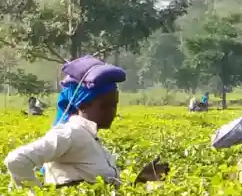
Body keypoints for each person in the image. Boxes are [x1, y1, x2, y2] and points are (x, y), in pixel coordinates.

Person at [5, 57, 168, 186]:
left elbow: (103, 193)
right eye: (104, 106)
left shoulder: (92, 140)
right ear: (83, 105)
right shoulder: (70, 133)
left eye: (114, 105)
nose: (112, 112)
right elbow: (17, 160)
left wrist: (140, 181)